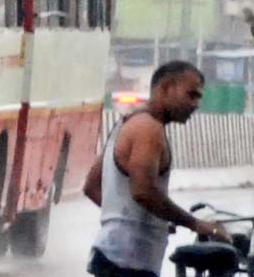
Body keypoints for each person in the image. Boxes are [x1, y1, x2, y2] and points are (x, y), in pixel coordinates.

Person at [84, 60, 231, 277]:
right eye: (192, 95)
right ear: (165, 89)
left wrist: (153, 220)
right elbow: (143, 191)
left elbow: (92, 186)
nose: (196, 104)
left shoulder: (126, 122)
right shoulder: (148, 130)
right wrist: (194, 223)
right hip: (128, 263)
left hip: (113, 255)